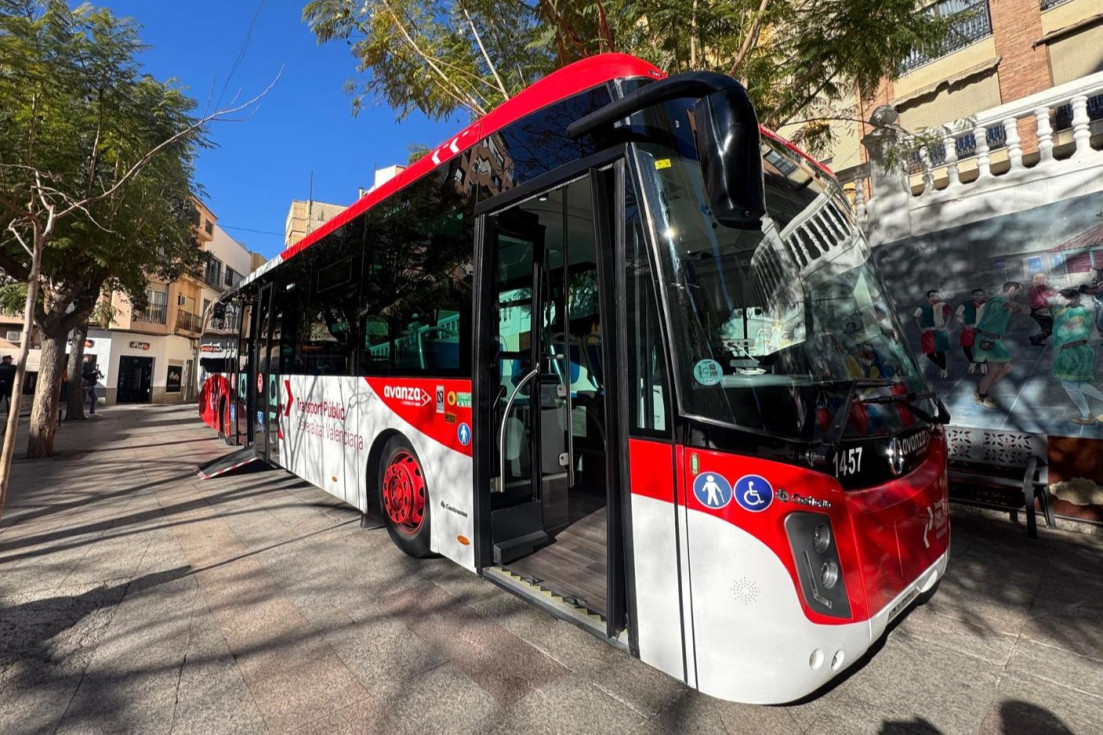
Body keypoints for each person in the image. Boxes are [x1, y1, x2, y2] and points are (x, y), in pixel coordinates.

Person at [973, 281, 1030, 408]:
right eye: (1017, 292)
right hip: (986, 339)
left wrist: (1020, 310)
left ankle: (983, 388)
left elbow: (1006, 310)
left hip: (994, 340)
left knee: (1006, 367)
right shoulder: (998, 300)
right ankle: (982, 396)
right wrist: (1020, 306)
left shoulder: (1003, 304)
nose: (1018, 294)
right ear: (1011, 289)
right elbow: (1007, 304)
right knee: (995, 369)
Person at [1051, 288, 1103, 425]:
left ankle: (1086, 416)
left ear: (1067, 298)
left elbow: (1076, 323)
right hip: (1075, 350)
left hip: (1074, 351)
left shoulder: (1078, 312)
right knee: (1078, 384)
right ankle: (1086, 415)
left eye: (1058, 296)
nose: (1056, 297)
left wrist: (1070, 324)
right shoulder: (1064, 312)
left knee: (1068, 384)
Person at [913, 289, 951, 378]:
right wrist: (920, 329)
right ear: (928, 298)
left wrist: (945, 325)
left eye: (936, 296)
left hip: (939, 332)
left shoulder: (942, 305)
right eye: (932, 296)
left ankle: (943, 370)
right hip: (928, 333)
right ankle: (943, 367)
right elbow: (915, 317)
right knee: (930, 354)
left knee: (940, 352)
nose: (934, 297)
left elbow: (949, 314)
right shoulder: (923, 307)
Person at [955, 289, 987, 374]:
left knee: (982, 346)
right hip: (969, 329)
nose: (978, 297)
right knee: (966, 346)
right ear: (972, 296)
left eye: (981, 295)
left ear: (983, 296)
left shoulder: (986, 305)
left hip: (981, 329)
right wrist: (964, 324)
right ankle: (972, 361)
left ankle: (983, 362)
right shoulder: (965, 305)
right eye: (976, 295)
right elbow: (957, 315)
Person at [1027, 273, 1057, 346]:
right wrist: (1054, 292)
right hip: (1040, 310)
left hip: (1034, 310)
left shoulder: (1032, 288)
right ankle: (1036, 338)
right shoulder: (1041, 288)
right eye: (1045, 278)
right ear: (1040, 280)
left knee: (1046, 327)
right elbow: (1043, 298)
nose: (1046, 280)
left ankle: (1035, 339)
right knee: (1052, 327)